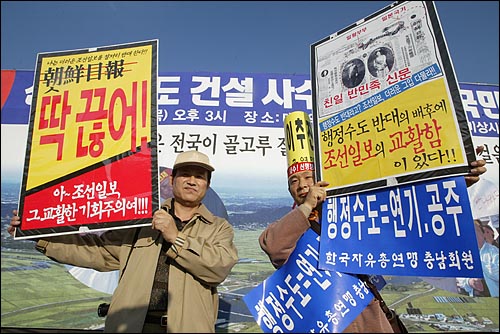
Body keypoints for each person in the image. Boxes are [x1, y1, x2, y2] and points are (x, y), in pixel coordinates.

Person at [8, 150, 239, 333]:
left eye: (199, 176)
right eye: (185, 174)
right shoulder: (141, 222)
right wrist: (40, 234)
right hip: (132, 325)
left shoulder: (218, 228)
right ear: (173, 179)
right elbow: (97, 252)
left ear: (207, 185)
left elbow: (217, 269)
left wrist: (175, 238)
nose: (191, 181)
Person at [259, 150, 487, 332]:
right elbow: (274, 247)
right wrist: (307, 206)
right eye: (294, 181)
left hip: (372, 316)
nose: (302, 185)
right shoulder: (291, 227)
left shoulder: (352, 214)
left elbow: (405, 210)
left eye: (309, 177)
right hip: (331, 322)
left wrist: (456, 178)